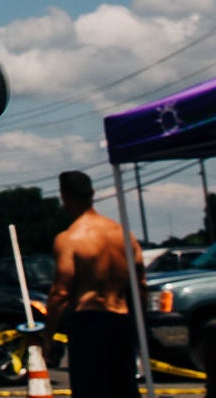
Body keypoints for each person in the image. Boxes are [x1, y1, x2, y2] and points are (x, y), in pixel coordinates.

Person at [46, 170, 141, 398]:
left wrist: (48, 338)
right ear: (92, 193)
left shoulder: (70, 238)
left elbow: (60, 293)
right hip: (121, 320)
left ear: (64, 196)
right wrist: (139, 326)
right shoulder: (125, 235)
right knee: (124, 391)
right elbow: (141, 286)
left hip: (89, 323)